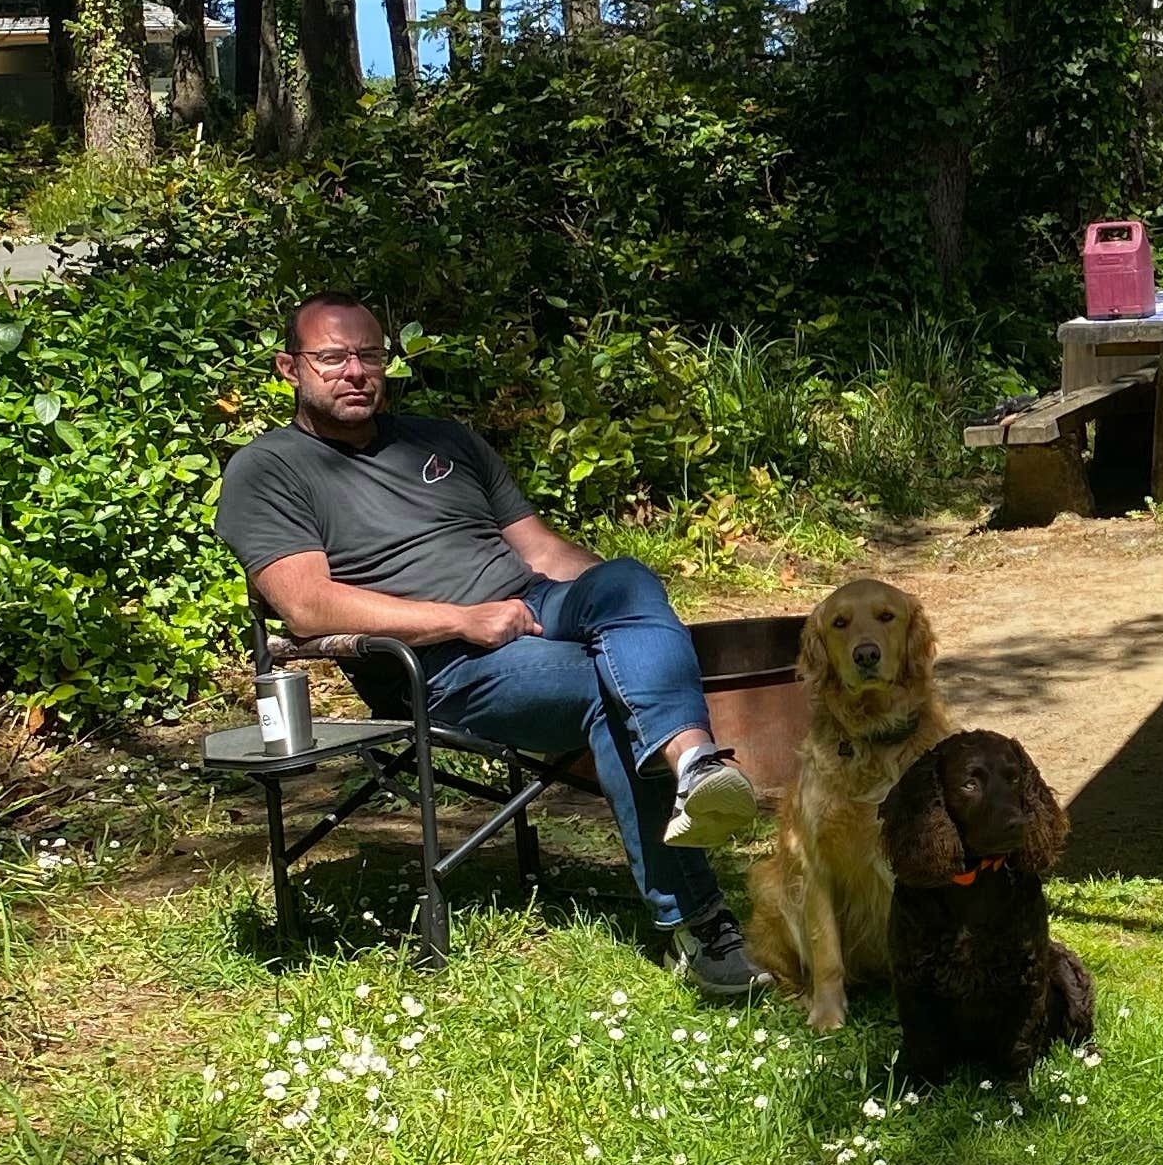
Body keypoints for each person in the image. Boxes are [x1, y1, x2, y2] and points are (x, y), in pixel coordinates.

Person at [217, 292, 766, 996]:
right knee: (611, 691)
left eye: (370, 355)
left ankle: (693, 765)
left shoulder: (443, 441)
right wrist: (460, 620)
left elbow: (541, 550)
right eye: (332, 358)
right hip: (439, 665)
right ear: (289, 367)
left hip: (532, 605)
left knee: (627, 582)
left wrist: (638, 618)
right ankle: (698, 923)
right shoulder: (268, 469)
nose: (355, 371)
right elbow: (306, 605)